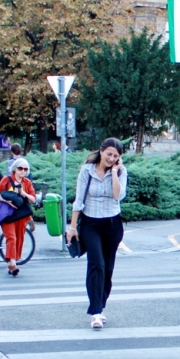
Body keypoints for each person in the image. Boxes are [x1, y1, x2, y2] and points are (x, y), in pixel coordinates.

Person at [66, 138, 128, 329]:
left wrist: (115, 172)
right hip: (90, 224)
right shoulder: (87, 171)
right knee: (97, 264)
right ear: (101, 151)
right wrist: (72, 227)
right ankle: (95, 312)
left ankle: (100, 306)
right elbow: (78, 200)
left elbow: (118, 196)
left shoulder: (121, 171)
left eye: (116, 156)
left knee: (107, 268)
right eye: (109, 154)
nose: (111, 158)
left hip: (112, 224)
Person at [0, 158, 36, 276]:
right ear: (15, 169)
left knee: (19, 239)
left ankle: (11, 263)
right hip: (7, 214)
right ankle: (13, 265)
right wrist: (7, 201)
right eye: (20, 168)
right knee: (11, 238)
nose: (23, 171)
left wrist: (23, 193)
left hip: (21, 215)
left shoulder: (27, 183)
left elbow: (33, 199)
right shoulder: (6, 180)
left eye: (25, 169)